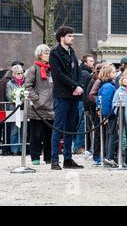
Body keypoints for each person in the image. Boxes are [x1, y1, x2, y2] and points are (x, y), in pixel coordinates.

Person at [49, 26, 85, 170]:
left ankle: (68, 158)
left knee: (71, 128)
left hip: (74, 96)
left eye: (72, 36)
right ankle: (54, 160)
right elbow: (58, 75)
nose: (72, 38)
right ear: (62, 37)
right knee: (58, 127)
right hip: (62, 96)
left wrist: (80, 86)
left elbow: (78, 71)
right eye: (69, 36)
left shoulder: (72, 53)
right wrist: (74, 87)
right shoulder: (54, 54)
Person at [24, 44, 53, 165]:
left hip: (51, 108)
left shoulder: (52, 69)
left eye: (49, 52)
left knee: (49, 136)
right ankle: (35, 157)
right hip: (37, 109)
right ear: (40, 55)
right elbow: (28, 87)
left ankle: (48, 157)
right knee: (36, 135)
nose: (48, 55)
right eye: (46, 53)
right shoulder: (33, 69)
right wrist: (38, 100)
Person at [73, 54, 95, 154]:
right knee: (82, 124)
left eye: (93, 61)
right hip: (81, 101)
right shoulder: (85, 73)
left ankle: (78, 146)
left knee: (81, 123)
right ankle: (79, 146)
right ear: (85, 62)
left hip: (81, 101)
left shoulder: (84, 72)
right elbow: (82, 88)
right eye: (90, 61)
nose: (92, 63)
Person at [96, 64, 117, 166]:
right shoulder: (109, 86)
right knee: (111, 136)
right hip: (110, 115)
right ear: (108, 74)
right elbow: (106, 102)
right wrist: (106, 116)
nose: (115, 74)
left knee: (109, 136)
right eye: (113, 72)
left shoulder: (105, 85)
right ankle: (109, 157)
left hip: (108, 114)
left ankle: (107, 156)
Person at [6, 64, 26, 155]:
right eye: (18, 73)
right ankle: (14, 149)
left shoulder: (25, 83)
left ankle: (22, 149)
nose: (20, 75)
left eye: (21, 73)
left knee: (23, 129)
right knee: (15, 129)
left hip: (24, 108)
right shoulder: (10, 83)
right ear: (13, 74)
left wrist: (23, 99)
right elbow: (9, 96)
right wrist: (16, 100)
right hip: (14, 108)